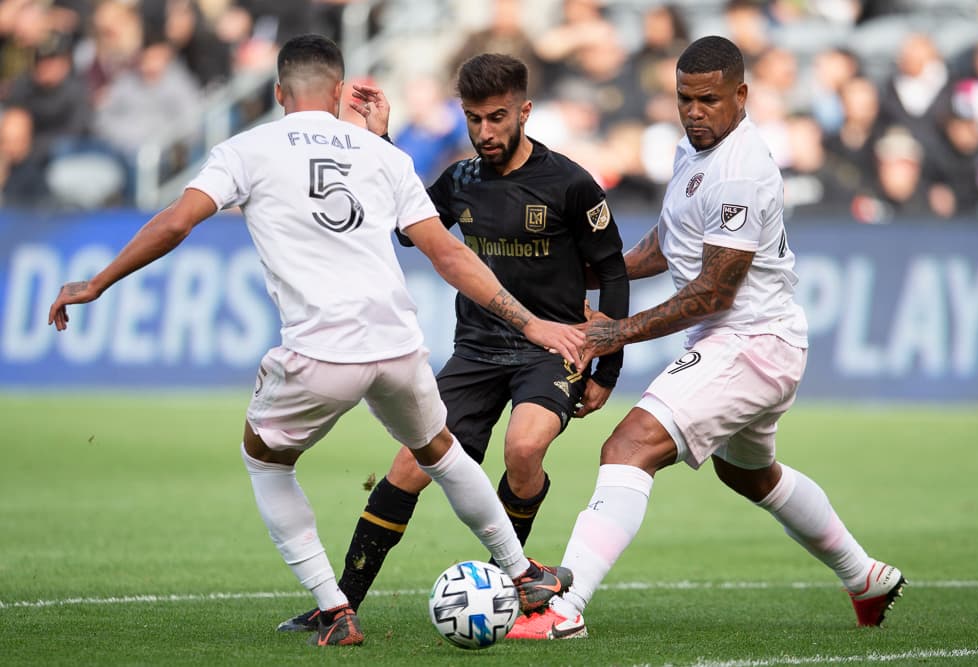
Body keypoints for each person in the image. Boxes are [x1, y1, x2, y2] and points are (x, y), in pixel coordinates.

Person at [47, 34, 579, 648]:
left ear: (277, 93)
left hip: (322, 350)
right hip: (398, 346)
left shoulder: (245, 149)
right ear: (337, 93)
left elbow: (176, 221)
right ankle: (523, 572)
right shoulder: (386, 156)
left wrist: (99, 282)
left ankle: (334, 608)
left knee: (264, 459)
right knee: (441, 451)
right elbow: (447, 254)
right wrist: (531, 322)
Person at [506, 35, 906, 641]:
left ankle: (566, 608)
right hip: (756, 340)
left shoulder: (741, 172)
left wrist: (612, 334)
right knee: (748, 473)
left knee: (628, 447)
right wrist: (584, 273)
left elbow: (712, 293)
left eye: (709, 100)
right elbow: (667, 244)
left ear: (741, 95)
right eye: (684, 99)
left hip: (749, 339)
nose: (694, 111)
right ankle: (866, 577)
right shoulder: (692, 151)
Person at [276, 52, 630, 633]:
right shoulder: (460, 180)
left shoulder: (570, 183)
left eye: (496, 118)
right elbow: (407, 226)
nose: (485, 132)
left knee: (523, 450)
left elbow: (612, 273)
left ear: (524, 111)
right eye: (473, 119)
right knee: (407, 469)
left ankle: (510, 585)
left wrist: (605, 370)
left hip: (550, 351)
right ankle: (339, 605)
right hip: (475, 352)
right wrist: (384, 139)